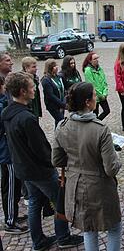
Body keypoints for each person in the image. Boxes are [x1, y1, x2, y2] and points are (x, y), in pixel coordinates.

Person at [2, 72, 83, 250]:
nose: (34, 90)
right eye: (32, 87)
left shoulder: (8, 113)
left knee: (34, 202)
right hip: (39, 171)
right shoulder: (27, 118)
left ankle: (38, 241)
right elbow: (41, 150)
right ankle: (63, 237)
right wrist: (55, 163)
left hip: (23, 169)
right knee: (59, 201)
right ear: (23, 91)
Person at [52, 82, 122, 251]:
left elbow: (56, 160)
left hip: (75, 185)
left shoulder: (62, 126)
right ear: (87, 102)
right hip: (99, 186)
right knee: (114, 226)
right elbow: (111, 168)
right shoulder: (100, 129)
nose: (96, 98)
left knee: (88, 228)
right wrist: (117, 157)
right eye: (94, 95)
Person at [0, 75, 29, 234]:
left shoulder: (4, 102)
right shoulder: (2, 106)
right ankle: (10, 221)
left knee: (14, 186)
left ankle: (14, 215)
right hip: (6, 153)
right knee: (10, 188)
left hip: (9, 151)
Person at [83, 52, 110, 121]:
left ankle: (96, 122)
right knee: (95, 113)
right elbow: (92, 85)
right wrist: (100, 95)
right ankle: (95, 124)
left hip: (102, 94)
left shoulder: (99, 68)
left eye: (97, 58)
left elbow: (104, 81)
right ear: (90, 60)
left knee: (107, 110)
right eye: (95, 59)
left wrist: (105, 92)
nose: (97, 60)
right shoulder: (88, 70)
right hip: (95, 96)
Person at [41, 59, 66, 127]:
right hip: (53, 106)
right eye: (54, 66)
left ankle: (57, 135)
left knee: (58, 122)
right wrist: (62, 104)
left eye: (56, 65)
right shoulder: (46, 80)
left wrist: (64, 101)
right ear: (49, 68)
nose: (57, 67)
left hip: (62, 103)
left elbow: (64, 90)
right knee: (61, 120)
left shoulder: (59, 77)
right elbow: (50, 95)